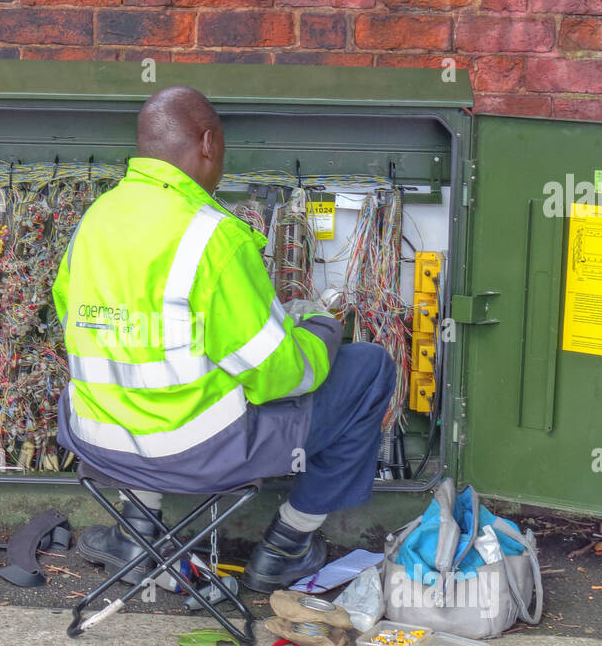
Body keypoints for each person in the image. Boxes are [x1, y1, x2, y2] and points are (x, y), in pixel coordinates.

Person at [52, 85, 395, 593]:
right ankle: (285, 547)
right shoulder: (213, 236)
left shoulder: (96, 219)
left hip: (96, 438)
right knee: (369, 368)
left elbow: (88, 327)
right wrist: (321, 328)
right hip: (195, 452)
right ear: (208, 143)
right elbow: (279, 376)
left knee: (155, 392)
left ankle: (136, 531)